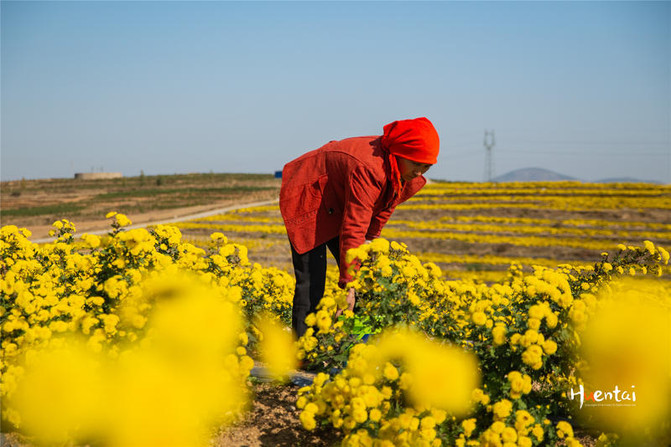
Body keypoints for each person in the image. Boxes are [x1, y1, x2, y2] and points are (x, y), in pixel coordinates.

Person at [279, 117, 440, 338]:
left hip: (339, 199)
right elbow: (354, 225)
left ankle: (354, 345)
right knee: (312, 280)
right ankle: (304, 352)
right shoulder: (370, 168)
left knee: (367, 276)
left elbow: (384, 207)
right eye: (416, 164)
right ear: (399, 154)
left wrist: (370, 243)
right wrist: (349, 285)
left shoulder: (402, 172)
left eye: (427, 167)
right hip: (309, 192)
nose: (420, 172)